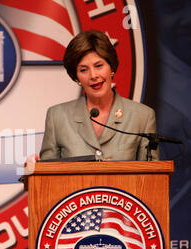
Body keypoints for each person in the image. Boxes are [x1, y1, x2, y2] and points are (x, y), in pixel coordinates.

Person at [39, 30, 159, 161]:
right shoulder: (57, 117)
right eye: (83, 70)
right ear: (76, 77)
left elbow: (150, 178)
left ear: (111, 68)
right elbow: (46, 177)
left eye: (99, 66)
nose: (93, 75)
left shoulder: (143, 117)